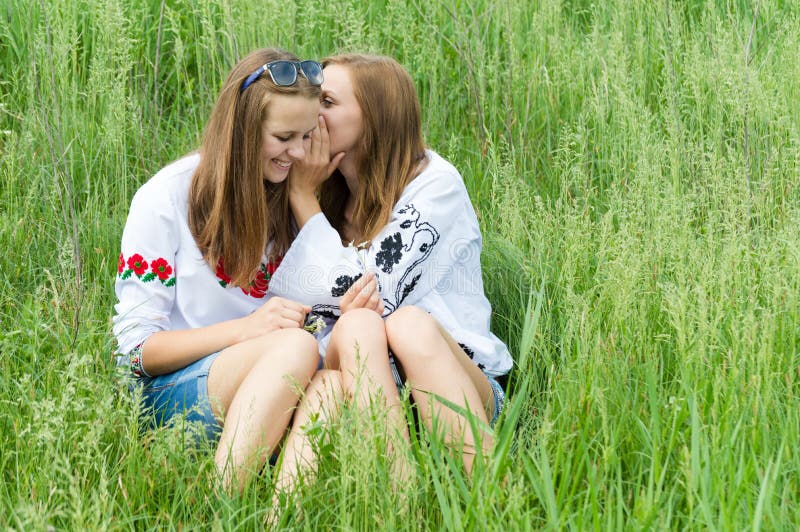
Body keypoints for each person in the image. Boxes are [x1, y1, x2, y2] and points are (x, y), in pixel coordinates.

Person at [269, 54, 512, 478]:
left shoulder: (435, 185)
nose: (312, 111)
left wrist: (305, 201)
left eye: (326, 101)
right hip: (368, 390)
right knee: (355, 330)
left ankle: (496, 497)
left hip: (457, 382)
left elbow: (371, 290)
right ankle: (395, 502)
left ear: (376, 118)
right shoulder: (320, 187)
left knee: (406, 324)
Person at [112, 47, 342, 493]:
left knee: (330, 387)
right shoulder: (167, 198)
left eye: (307, 136)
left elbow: (332, 295)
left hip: (271, 385)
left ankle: (281, 519)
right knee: (295, 348)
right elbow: (134, 352)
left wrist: (304, 198)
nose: (298, 152)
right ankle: (226, 505)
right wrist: (246, 330)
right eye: (283, 138)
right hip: (168, 392)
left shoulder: (294, 191)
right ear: (242, 130)